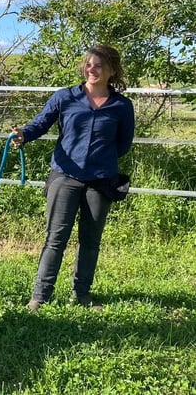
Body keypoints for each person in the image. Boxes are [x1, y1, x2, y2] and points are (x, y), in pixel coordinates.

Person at [11, 44, 135, 312]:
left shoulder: (122, 106)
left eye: (99, 65)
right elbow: (40, 124)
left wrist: (99, 159)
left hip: (101, 181)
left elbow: (123, 144)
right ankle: (40, 296)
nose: (92, 69)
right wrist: (24, 135)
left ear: (112, 70)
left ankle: (81, 293)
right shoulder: (64, 97)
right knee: (56, 238)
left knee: (90, 241)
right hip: (65, 177)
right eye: (89, 64)